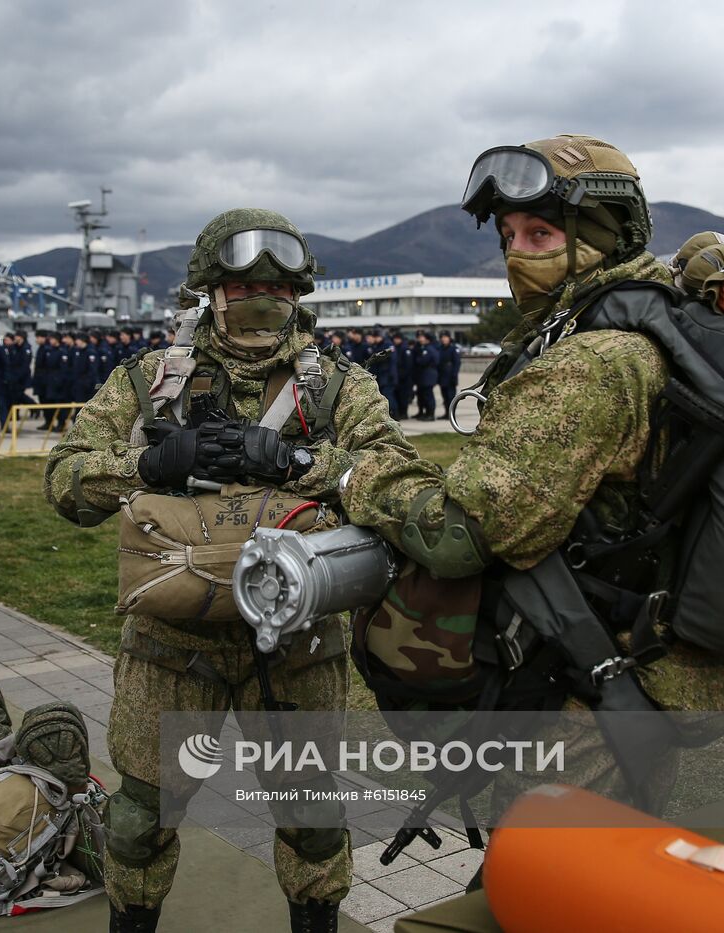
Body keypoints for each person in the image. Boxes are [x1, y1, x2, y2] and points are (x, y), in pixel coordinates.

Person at [337, 136, 724, 930]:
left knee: (535, 897)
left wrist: (363, 479)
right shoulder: (646, 324)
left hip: (593, 697)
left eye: (543, 235)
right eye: (509, 238)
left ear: (606, 234)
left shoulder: (592, 361)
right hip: (632, 669)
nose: (518, 257)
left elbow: (465, 533)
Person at [45, 208, 415, 933]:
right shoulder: (153, 378)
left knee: (311, 817)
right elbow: (64, 480)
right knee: (140, 818)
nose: (263, 298)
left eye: (279, 287)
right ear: (209, 288)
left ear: (300, 294)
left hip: (299, 643)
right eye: (244, 282)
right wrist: (148, 463)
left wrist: (302, 461)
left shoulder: (336, 385)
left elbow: (399, 479)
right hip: (171, 645)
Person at [411, 330, 440, 420]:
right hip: (423, 376)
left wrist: (418, 359)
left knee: (428, 396)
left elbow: (422, 361)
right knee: (422, 395)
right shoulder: (423, 348)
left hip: (428, 375)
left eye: (422, 337)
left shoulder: (429, 349)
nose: (420, 339)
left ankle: (430, 414)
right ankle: (424, 413)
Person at [436, 331, 462, 419]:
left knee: (451, 396)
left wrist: (454, 375)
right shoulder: (440, 348)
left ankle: (451, 414)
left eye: (445, 337)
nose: (444, 339)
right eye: (442, 337)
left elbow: (457, 363)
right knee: (445, 396)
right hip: (442, 376)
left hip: (450, 376)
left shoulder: (453, 348)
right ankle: (447, 412)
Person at [391, 331, 413, 420]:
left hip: (405, 378)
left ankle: (404, 413)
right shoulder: (395, 348)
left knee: (404, 397)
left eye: (397, 339)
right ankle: (400, 412)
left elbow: (408, 365)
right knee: (398, 396)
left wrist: (402, 375)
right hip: (398, 377)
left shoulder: (405, 349)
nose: (396, 340)